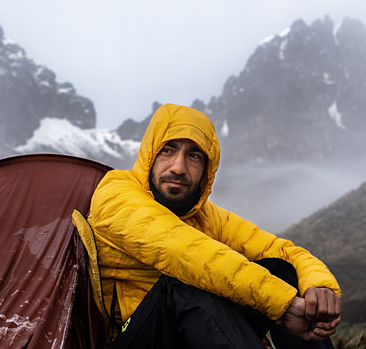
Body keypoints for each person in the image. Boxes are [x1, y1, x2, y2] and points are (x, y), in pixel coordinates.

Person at [72, 103, 341, 348]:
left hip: (191, 333)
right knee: (183, 284)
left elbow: (281, 249)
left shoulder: (205, 215)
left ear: (207, 169)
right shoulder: (116, 194)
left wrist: (319, 286)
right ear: (149, 155)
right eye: (168, 150)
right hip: (130, 337)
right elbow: (187, 253)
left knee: (281, 269)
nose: (178, 167)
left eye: (194, 156)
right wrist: (283, 304)